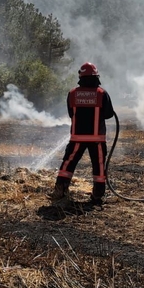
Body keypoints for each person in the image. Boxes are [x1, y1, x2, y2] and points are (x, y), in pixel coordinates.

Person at [48, 62, 115, 208]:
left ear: (81, 77)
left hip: (77, 138)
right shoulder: (102, 93)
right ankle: (97, 196)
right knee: (99, 168)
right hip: (97, 139)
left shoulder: (72, 93)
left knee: (68, 164)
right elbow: (109, 114)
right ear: (96, 76)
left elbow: (71, 113)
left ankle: (60, 191)